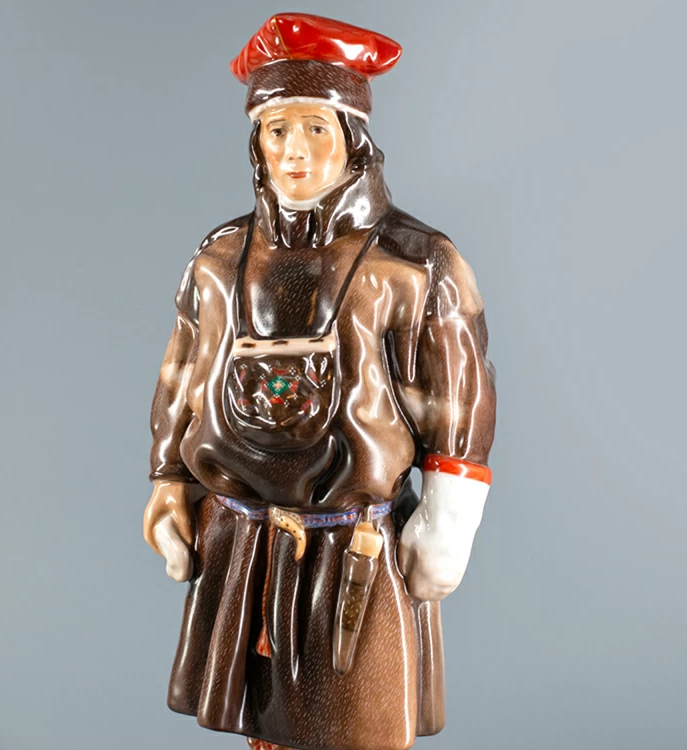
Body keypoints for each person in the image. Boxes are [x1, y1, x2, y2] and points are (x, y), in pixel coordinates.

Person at [143, 14, 496, 750]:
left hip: (354, 545)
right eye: (277, 131)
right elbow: (183, 370)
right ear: (256, 142)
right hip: (240, 539)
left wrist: (448, 517)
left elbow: (457, 393)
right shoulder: (219, 259)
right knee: (266, 726)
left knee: (354, 726)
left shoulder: (414, 262)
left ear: (352, 137)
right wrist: (169, 480)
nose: (294, 151)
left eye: (314, 128)